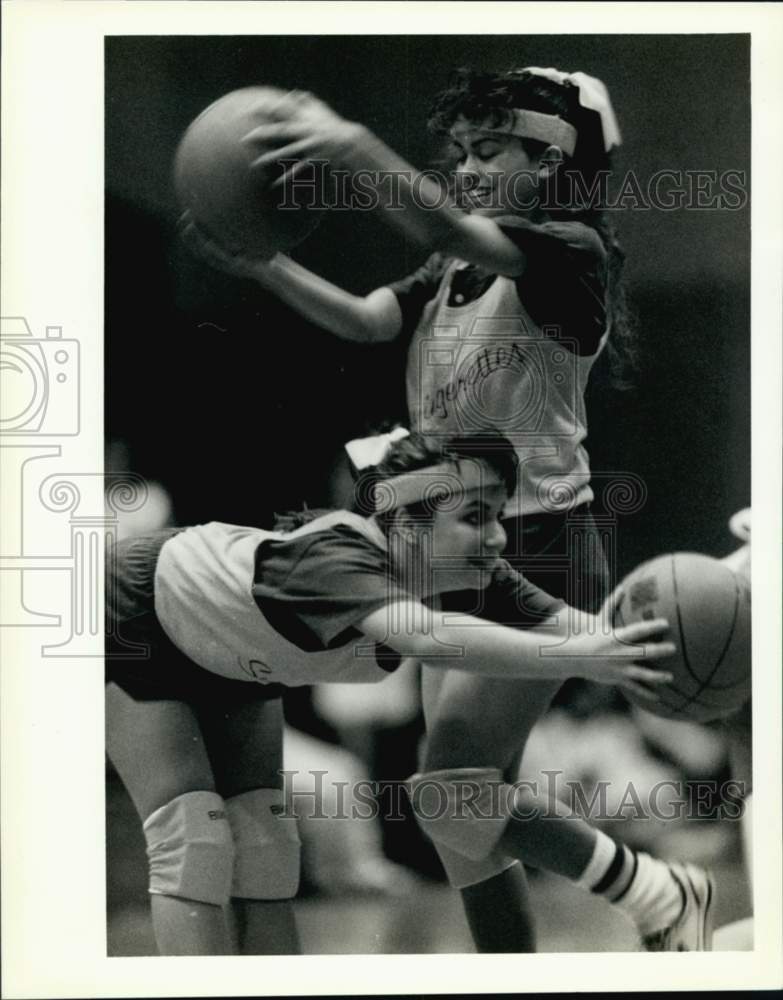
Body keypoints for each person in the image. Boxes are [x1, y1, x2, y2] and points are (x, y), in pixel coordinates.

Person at [179, 68, 713, 951]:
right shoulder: (451, 265)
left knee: (444, 787)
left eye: (488, 148)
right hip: (449, 547)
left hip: (539, 543)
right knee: (461, 819)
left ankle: (658, 891)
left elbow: (444, 220)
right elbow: (364, 321)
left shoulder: (569, 248)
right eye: (457, 150)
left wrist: (352, 145)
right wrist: (263, 262)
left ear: (551, 161)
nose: (464, 166)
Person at [105, 430, 675, 956]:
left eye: (498, 515)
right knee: (193, 839)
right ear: (406, 522)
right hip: (136, 611)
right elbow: (430, 637)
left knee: (266, 848)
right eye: (476, 517)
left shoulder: (472, 568)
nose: (498, 536)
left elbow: (573, 624)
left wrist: (648, 647)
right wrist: (583, 659)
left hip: (235, 659)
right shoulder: (340, 559)